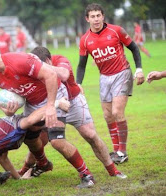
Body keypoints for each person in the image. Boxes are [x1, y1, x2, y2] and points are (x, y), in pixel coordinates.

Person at [0, 41, 96, 188]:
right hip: (33, 103)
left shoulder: (20, 61)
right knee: (29, 136)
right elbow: (21, 92)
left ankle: (86, 175)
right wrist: (10, 110)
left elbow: (51, 75)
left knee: (56, 141)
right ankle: (43, 163)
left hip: (54, 95)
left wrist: (51, 105)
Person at [18, 47, 126, 181]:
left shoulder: (60, 60)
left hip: (74, 102)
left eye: (38, 65)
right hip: (53, 104)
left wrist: (41, 66)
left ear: (47, 61)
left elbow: (64, 75)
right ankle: (26, 169)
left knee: (90, 135)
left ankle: (113, 170)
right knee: (41, 140)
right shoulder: (31, 67)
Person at [76, 3, 145, 164]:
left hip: (122, 73)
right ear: (87, 19)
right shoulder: (85, 40)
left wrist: (139, 69)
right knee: (107, 115)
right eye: (92, 16)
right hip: (104, 78)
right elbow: (81, 65)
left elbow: (134, 48)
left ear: (103, 16)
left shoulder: (116, 30)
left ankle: (123, 151)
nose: (96, 19)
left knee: (116, 111)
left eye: (98, 15)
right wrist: (78, 83)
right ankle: (116, 150)